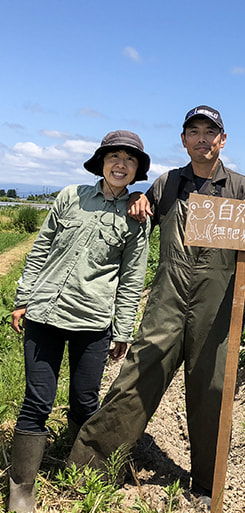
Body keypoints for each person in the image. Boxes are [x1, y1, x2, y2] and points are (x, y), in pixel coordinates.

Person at [68, 105, 245, 506]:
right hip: (168, 299)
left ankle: (210, 484)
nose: (202, 139)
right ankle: (88, 465)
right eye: (193, 132)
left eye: (210, 132)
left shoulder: (242, 189)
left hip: (216, 308)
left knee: (212, 389)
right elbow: (140, 220)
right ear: (183, 140)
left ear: (222, 140)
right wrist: (139, 200)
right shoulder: (167, 183)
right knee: (139, 375)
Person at [8, 130, 151, 513]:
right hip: (45, 313)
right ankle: (22, 488)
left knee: (85, 400)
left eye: (130, 159)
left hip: (93, 321)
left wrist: (122, 329)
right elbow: (40, 249)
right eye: (114, 157)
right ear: (101, 163)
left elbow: (132, 278)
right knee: (37, 400)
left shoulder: (138, 217)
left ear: (137, 170)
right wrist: (22, 301)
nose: (121, 164)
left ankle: (78, 468)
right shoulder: (71, 197)